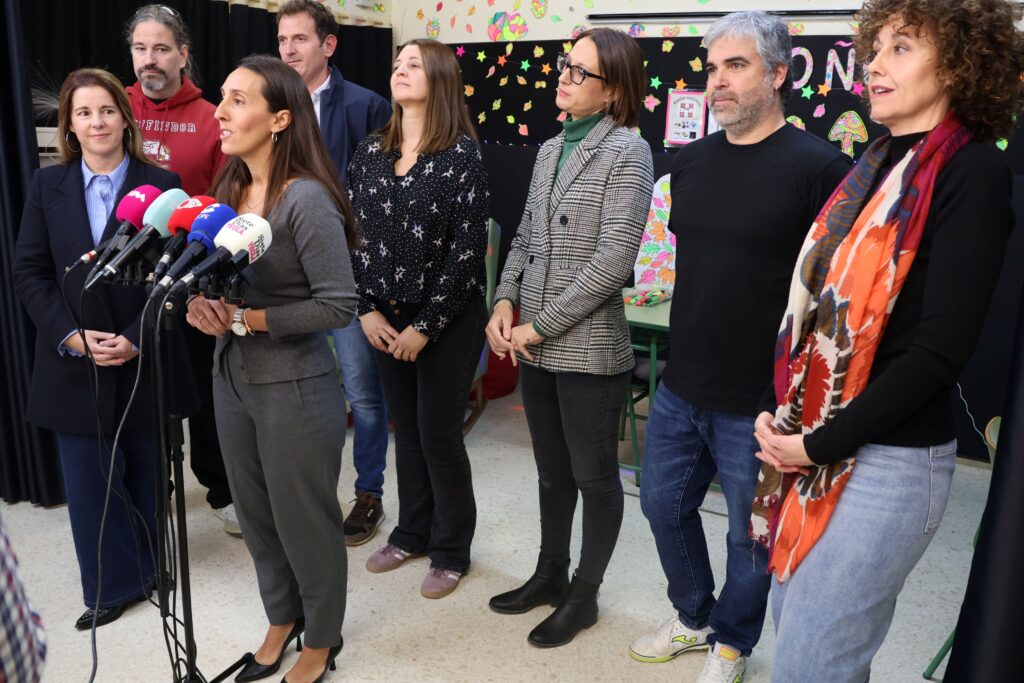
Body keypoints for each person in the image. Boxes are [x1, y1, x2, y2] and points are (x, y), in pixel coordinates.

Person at [750, 1, 1022, 680]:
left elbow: (940, 350)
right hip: (814, 440)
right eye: (875, 48)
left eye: (902, 47)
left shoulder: (972, 174)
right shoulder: (872, 166)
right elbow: (816, 314)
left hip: (890, 461)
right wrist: (782, 412)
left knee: (812, 662)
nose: (874, 64)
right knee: (801, 635)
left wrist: (817, 444)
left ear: (958, 65)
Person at [627, 11, 853, 683]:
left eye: (736, 66)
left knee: (748, 536)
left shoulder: (822, 169)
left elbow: (837, 299)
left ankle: (732, 641)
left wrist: (799, 402)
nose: (717, 82)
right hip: (682, 383)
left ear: (778, 74)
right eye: (712, 68)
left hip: (763, 399)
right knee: (660, 503)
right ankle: (695, 615)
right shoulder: (690, 164)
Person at [186, 54, 357, 682]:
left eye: (238, 100)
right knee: (256, 515)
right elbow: (216, 280)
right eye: (222, 97)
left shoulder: (306, 199)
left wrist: (246, 320)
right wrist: (203, 307)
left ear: (280, 119)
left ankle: (323, 637)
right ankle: (282, 618)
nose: (221, 112)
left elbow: (339, 305)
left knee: (303, 520)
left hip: (295, 386)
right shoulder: (228, 192)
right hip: (231, 379)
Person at [485, 28, 653, 647]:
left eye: (581, 72)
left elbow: (613, 261)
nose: (565, 76)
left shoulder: (629, 152)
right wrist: (504, 301)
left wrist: (539, 323)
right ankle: (550, 573)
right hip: (533, 342)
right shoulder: (550, 148)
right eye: (566, 65)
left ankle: (584, 595)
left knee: (594, 477)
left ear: (613, 92)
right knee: (552, 473)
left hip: (587, 347)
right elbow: (526, 237)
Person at [13, 67, 181, 629]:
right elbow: (29, 272)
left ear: (125, 118)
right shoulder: (47, 187)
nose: (97, 122)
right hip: (73, 355)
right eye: (83, 113)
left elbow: (172, 278)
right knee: (89, 481)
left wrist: (135, 337)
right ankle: (109, 588)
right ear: (69, 125)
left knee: (145, 472)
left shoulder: (162, 184)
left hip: (139, 351)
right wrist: (70, 336)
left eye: (107, 110)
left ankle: (151, 570)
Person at [353, 39, 489, 600]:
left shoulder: (460, 155)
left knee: (438, 433)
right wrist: (364, 310)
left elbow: (467, 253)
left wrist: (425, 327)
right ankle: (411, 533)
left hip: (446, 318)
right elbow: (352, 236)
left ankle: (451, 550)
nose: (400, 70)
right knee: (405, 431)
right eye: (397, 63)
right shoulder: (370, 151)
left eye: (414, 64)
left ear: (439, 78)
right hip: (384, 316)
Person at [277, 0, 393, 547]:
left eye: (299, 39)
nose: (289, 50)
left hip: (347, 274)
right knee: (296, 389)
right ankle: (304, 493)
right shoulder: (270, 103)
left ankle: (369, 493)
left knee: (362, 393)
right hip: (284, 271)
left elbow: (383, 196)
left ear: (328, 45)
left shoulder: (368, 106)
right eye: (282, 40)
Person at [124, 3, 237, 537]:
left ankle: (221, 488)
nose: (149, 59)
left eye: (161, 48)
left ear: (183, 54)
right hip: (129, 280)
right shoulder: (115, 107)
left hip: (191, 279)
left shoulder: (212, 118)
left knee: (205, 393)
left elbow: (227, 200)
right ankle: (154, 487)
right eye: (140, 48)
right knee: (144, 390)